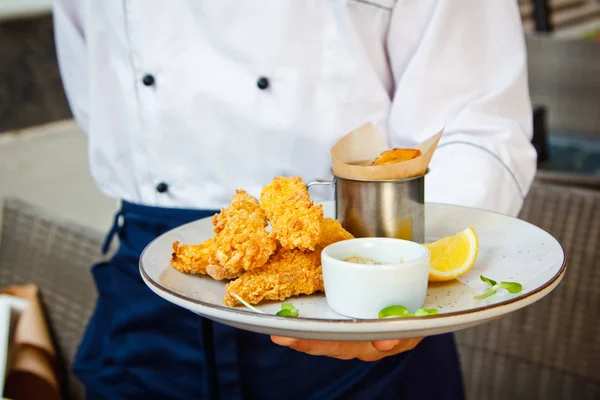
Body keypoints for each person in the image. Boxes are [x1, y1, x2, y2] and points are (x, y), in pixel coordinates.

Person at [52, 0, 536, 399]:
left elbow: (476, 121)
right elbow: (91, 81)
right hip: (150, 286)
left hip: (354, 292)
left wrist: (412, 271)